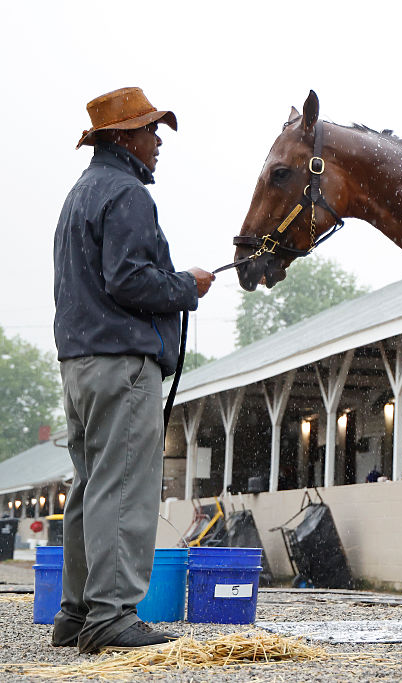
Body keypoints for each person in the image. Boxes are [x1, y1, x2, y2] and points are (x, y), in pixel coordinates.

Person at [52, 87, 215, 654]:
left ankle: (75, 613)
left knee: (91, 486)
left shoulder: (81, 195)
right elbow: (129, 280)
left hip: (79, 364)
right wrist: (186, 287)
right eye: (151, 131)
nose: (158, 143)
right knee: (125, 487)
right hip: (121, 365)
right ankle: (112, 616)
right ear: (123, 138)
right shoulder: (126, 194)